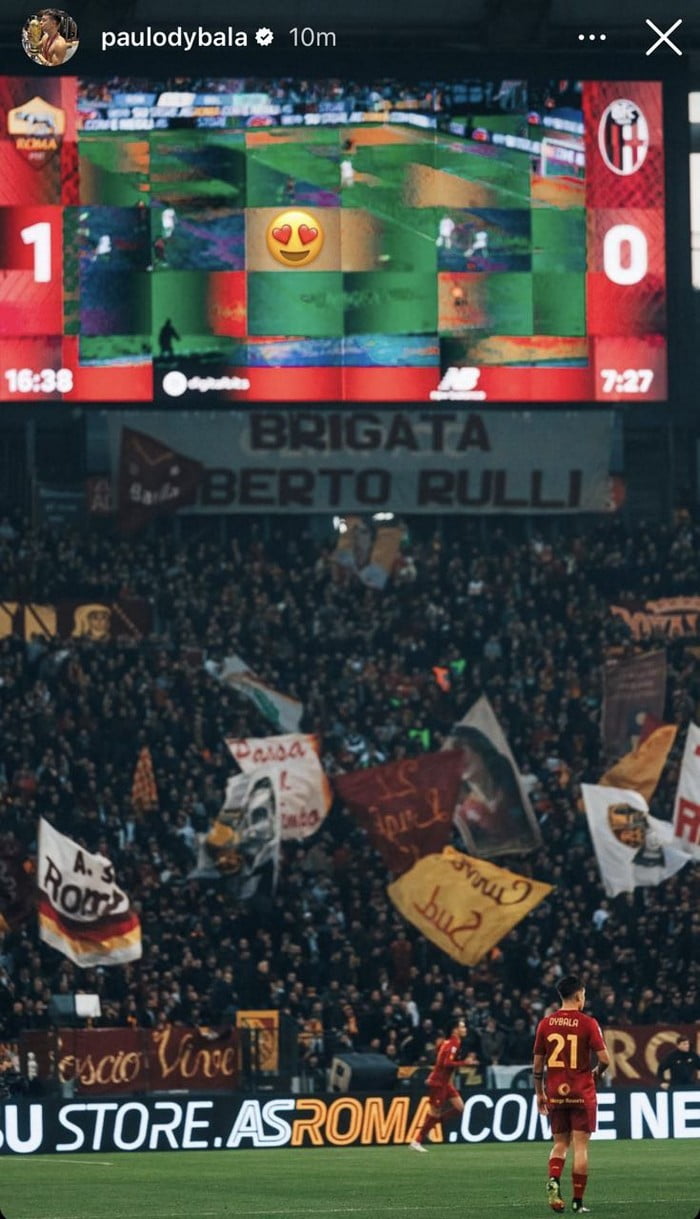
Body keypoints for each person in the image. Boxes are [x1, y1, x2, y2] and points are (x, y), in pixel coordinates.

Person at [533, 975, 609, 1214]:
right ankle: (577, 1202)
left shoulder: (545, 1024)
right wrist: (597, 1072)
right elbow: (605, 1059)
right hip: (581, 1092)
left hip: (555, 1092)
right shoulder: (588, 1023)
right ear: (578, 995)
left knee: (559, 1144)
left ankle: (553, 1179)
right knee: (580, 1147)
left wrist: (539, 1093)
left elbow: (537, 1065)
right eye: (584, 995)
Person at [409, 1017, 475, 1151]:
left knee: (460, 1108)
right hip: (438, 1083)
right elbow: (446, 1063)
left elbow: (439, 1057)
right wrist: (465, 1063)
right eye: (462, 1027)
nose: (465, 1029)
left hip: (446, 1083)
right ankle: (416, 1141)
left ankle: (431, 1124)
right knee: (435, 1112)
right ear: (455, 1030)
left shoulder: (448, 1042)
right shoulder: (453, 1044)